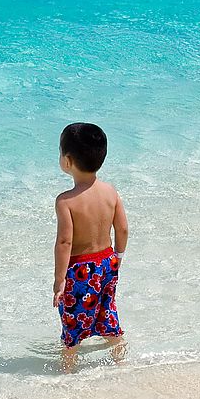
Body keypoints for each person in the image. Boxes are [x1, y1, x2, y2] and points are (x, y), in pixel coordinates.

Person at [52, 122, 128, 369]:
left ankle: (68, 369)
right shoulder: (110, 192)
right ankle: (120, 359)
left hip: (79, 271)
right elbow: (123, 228)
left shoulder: (66, 201)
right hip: (107, 264)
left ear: (68, 161)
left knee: (73, 325)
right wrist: (118, 255)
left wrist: (59, 279)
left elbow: (65, 242)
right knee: (106, 313)